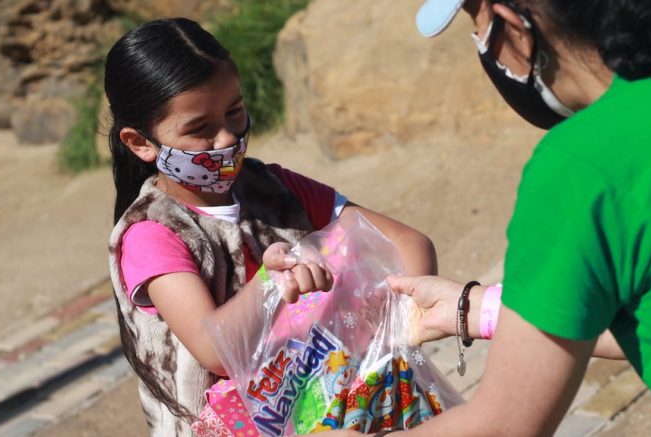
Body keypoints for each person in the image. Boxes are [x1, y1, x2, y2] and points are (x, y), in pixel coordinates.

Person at [329, 0, 651, 436]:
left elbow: (503, 427)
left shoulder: (583, 165)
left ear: (515, 25)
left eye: (479, 32)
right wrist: (471, 308)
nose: (483, 51)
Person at [104, 18, 437, 436]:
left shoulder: (277, 189)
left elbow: (407, 243)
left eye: (234, 112)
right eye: (199, 129)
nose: (226, 138)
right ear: (141, 142)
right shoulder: (151, 234)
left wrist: (393, 325)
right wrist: (271, 284)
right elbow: (215, 351)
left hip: (330, 407)